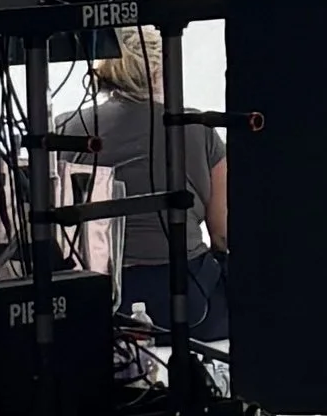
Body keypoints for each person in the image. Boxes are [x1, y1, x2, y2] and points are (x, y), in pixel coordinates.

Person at [85, 27, 230, 340]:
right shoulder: (199, 127)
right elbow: (222, 233)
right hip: (192, 304)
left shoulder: (69, 129)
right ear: (157, 71)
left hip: (105, 303)